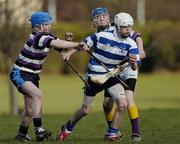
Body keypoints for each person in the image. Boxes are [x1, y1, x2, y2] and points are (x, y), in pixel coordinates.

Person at [56, 11, 140, 142]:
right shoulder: (101, 35)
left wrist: (134, 63)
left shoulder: (132, 44)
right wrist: (69, 53)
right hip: (94, 76)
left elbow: (135, 67)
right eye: (125, 27)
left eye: (130, 27)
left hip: (110, 76)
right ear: (117, 26)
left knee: (123, 104)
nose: (128, 30)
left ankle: (112, 133)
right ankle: (67, 128)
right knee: (85, 110)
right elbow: (82, 45)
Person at [9, 11, 86, 142]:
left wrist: (68, 41)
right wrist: (77, 44)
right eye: (46, 24)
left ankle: (21, 135)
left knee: (29, 109)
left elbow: (61, 49)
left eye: (49, 24)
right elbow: (56, 44)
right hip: (20, 73)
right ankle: (39, 130)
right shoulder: (38, 37)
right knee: (37, 95)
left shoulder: (47, 37)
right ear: (37, 26)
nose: (49, 26)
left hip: (33, 75)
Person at [91, 7, 145, 141]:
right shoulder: (98, 33)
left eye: (103, 16)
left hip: (128, 70)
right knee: (106, 104)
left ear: (108, 17)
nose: (101, 18)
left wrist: (140, 50)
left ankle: (136, 133)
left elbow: (136, 36)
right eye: (98, 17)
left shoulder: (119, 25)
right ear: (94, 21)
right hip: (114, 72)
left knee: (128, 99)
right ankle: (114, 131)